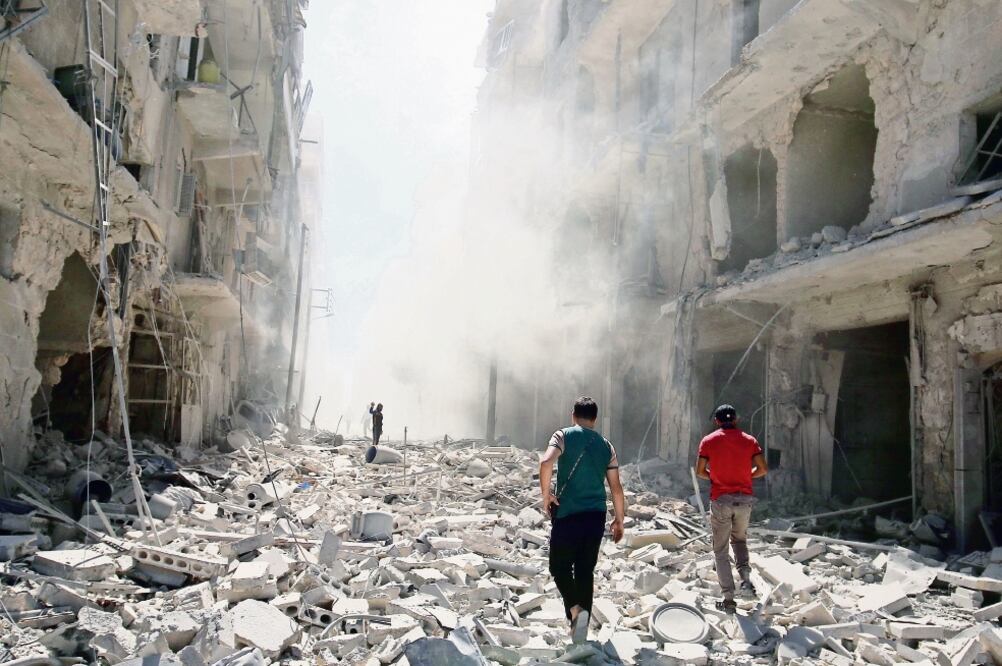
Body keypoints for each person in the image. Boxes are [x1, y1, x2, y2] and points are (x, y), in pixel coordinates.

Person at [539, 396, 626, 644]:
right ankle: (581, 631)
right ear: (595, 419)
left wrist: (546, 497)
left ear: (573, 415)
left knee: (559, 567)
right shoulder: (607, 446)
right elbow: (616, 488)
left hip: (568, 514)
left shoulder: (563, 435)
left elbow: (546, 463)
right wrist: (619, 520)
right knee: (585, 570)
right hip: (596, 515)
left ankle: (575, 612)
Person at [695, 404, 768, 613]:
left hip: (720, 500)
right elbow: (762, 468)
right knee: (740, 540)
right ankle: (746, 580)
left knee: (720, 549)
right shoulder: (750, 440)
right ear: (736, 420)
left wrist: (717, 477)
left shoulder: (708, 441)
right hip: (744, 500)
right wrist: (745, 477)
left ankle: (728, 598)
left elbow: (700, 471)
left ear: (717, 421)